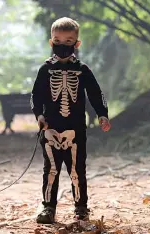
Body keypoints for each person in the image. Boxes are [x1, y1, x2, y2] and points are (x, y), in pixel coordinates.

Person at [30, 17, 111, 224]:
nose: (62, 45)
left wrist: (102, 114)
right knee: (51, 170)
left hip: (76, 130)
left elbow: (95, 93)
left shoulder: (83, 70)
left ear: (77, 43)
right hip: (50, 128)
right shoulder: (45, 69)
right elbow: (35, 96)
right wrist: (39, 114)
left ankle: (81, 208)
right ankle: (48, 207)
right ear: (51, 42)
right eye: (58, 40)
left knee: (76, 170)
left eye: (68, 41)